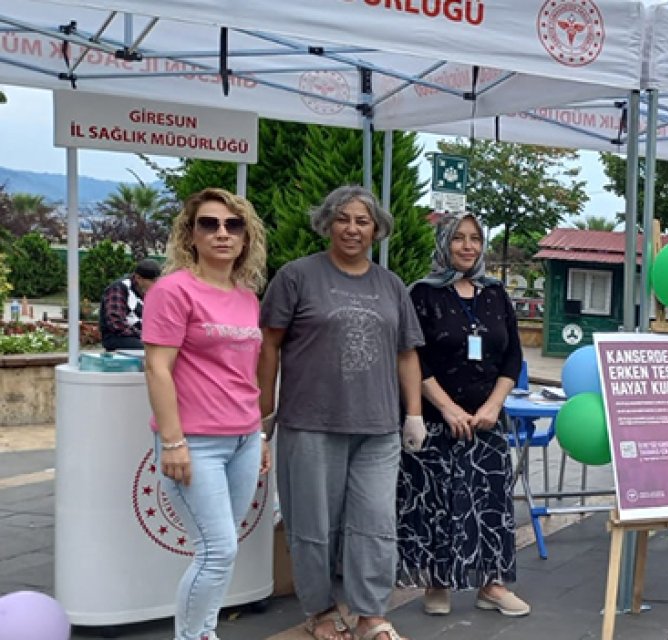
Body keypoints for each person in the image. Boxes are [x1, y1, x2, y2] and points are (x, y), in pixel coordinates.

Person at [258, 185, 425, 640]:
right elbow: (269, 345)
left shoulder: (391, 285)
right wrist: (264, 412)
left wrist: (413, 414)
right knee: (313, 525)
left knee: (375, 523)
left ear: (377, 229)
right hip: (311, 423)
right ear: (327, 223)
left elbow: (407, 352)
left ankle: (371, 613)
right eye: (343, 219)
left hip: (378, 427)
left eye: (362, 221)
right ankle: (320, 609)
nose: (352, 229)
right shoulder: (297, 277)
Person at [141, 188, 270, 640]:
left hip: (244, 438)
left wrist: (260, 435)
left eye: (233, 225)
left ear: (246, 237)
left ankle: (204, 631)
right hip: (195, 441)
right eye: (209, 224)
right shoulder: (172, 291)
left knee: (222, 548)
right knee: (217, 550)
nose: (222, 233)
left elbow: (245, 373)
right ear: (190, 234)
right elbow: (157, 368)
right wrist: (173, 441)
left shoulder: (247, 297)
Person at [397, 213, 529, 618]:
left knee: (490, 501)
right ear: (444, 243)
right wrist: (447, 408)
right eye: (458, 238)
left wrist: (493, 405)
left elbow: (512, 356)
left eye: (475, 239)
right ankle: (437, 582)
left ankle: (492, 584)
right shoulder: (421, 294)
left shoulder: (495, 294)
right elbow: (412, 357)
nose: (468, 246)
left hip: (487, 421)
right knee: (438, 501)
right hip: (437, 420)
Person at [100, 258, 162, 351]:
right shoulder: (119, 288)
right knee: (153, 350)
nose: (157, 285)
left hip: (142, 336)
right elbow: (116, 323)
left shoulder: (150, 291)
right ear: (138, 278)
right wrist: (143, 335)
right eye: (153, 281)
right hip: (118, 337)